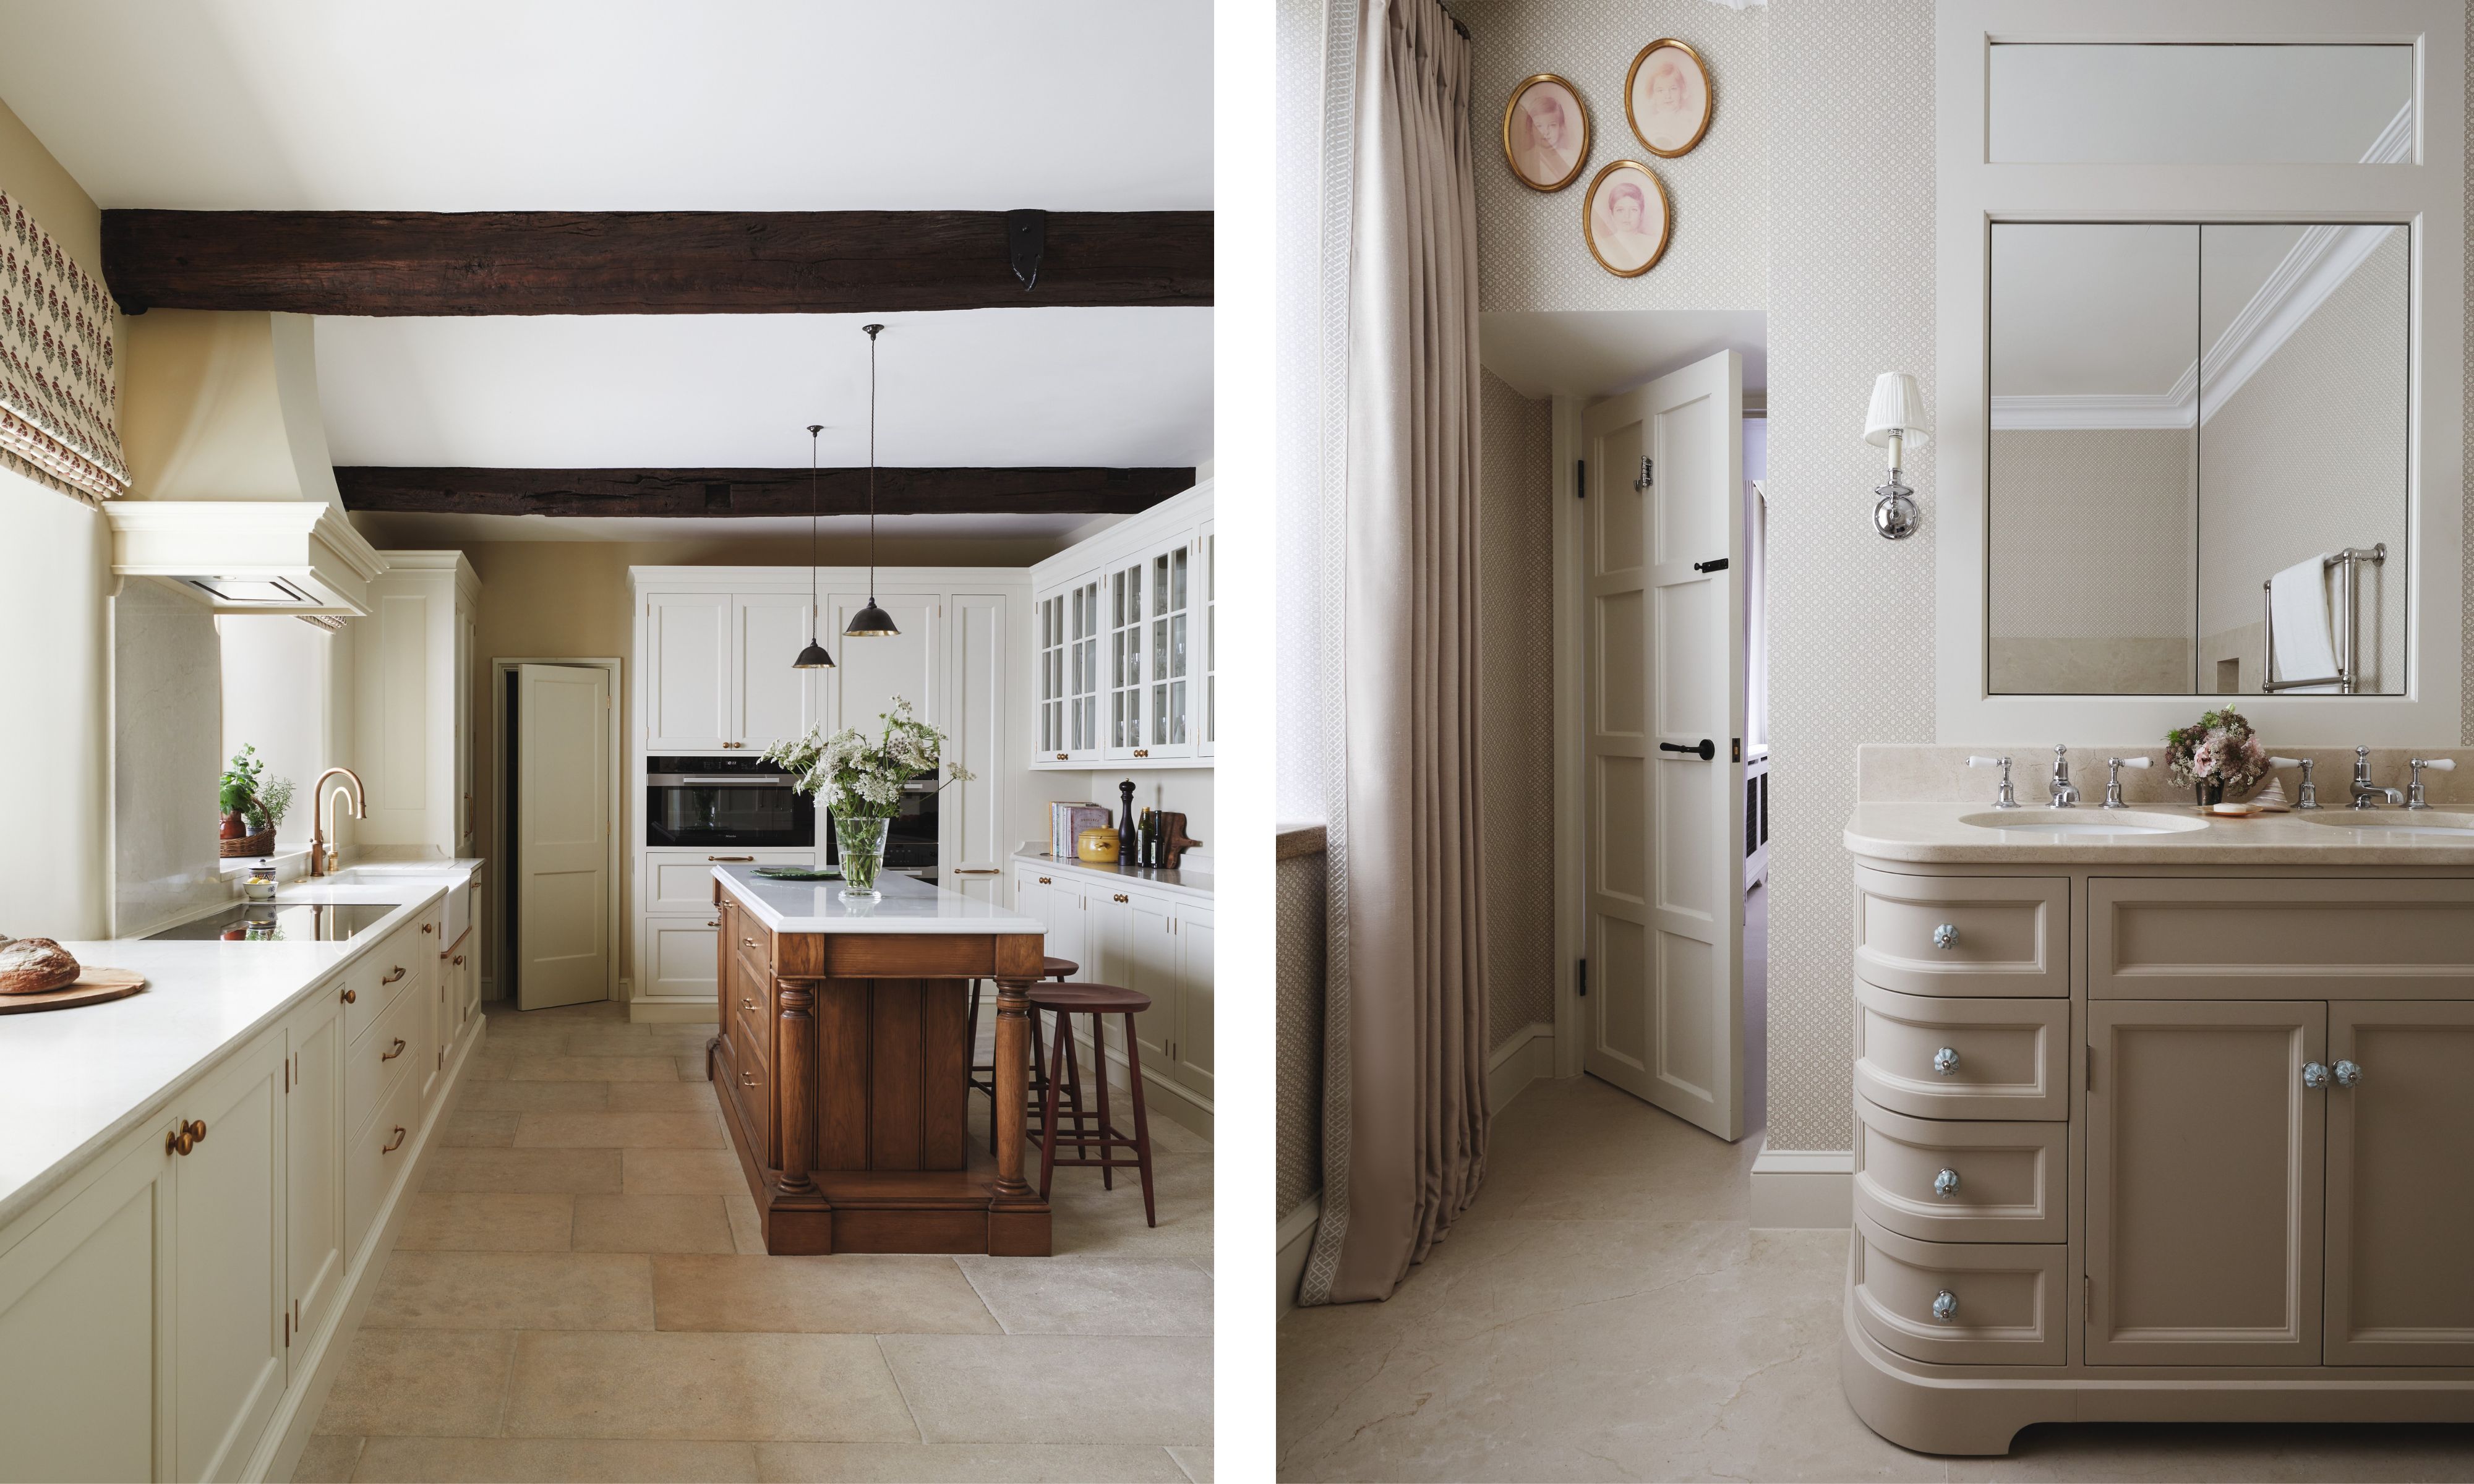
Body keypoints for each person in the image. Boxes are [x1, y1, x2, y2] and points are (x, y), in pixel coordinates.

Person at [1515, 87, 1578, 185]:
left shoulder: (1570, 157)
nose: (1545, 132)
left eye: (1552, 125)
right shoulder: (1525, 159)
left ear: (1560, 127)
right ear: (1530, 128)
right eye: (1539, 126)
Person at [1596, 176, 1659, 270]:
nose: (1627, 216)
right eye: (1620, 210)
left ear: (1641, 213)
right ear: (1612, 214)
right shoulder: (1603, 245)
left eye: (1634, 210)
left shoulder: (1653, 243)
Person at [1637, 53, 1697, 151]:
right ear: (1653, 94)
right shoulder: (1649, 124)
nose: (1668, 96)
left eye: (1673, 89)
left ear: (1681, 90)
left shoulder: (1690, 119)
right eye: (1660, 91)